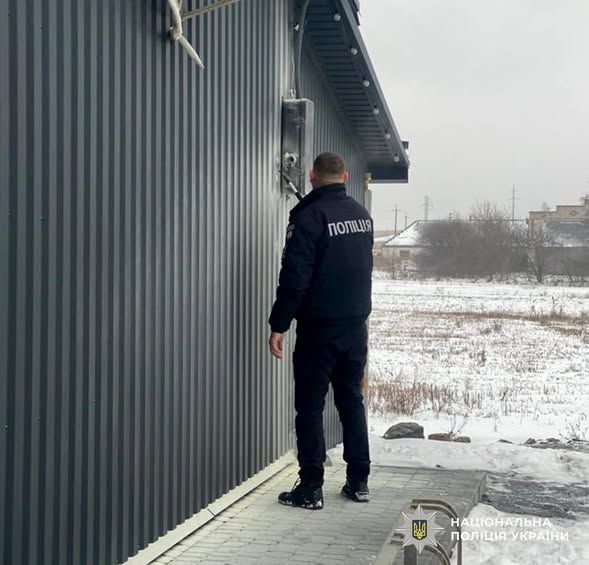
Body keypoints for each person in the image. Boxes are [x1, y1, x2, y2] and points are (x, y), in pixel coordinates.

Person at [268, 152, 373, 510]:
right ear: (345, 177)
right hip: (355, 328)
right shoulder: (362, 216)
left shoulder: (309, 217)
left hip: (319, 330)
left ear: (312, 177)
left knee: (310, 407)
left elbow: (295, 277)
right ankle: (359, 481)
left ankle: (310, 488)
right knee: (351, 401)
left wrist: (279, 324)